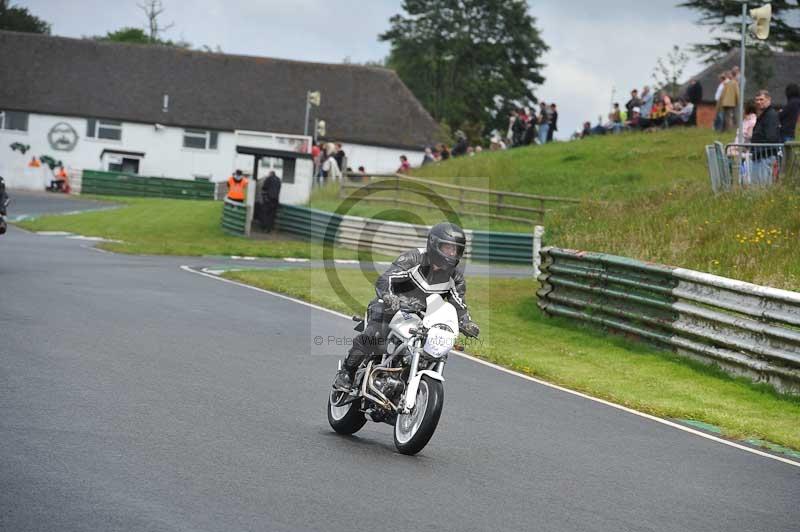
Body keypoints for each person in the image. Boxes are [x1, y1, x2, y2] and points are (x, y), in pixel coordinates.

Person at [333, 222, 480, 389]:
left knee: (433, 350)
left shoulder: (455, 278)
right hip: (391, 307)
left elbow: (459, 305)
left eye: (456, 250)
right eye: (448, 248)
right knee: (375, 334)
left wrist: (466, 322)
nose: (452, 254)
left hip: (421, 320)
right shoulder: (413, 258)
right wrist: (389, 296)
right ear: (434, 244)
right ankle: (347, 372)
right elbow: (386, 278)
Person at [751, 90, 781, 185]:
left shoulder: (770, 115)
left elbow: (771, 137)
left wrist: (758, 149)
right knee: (757, 186)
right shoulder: (764, 115)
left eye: (761, 99)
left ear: (769, 100)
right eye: (757, 100)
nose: (759, 102)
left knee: (762, 186)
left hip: (765, 156)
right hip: (759, 156)